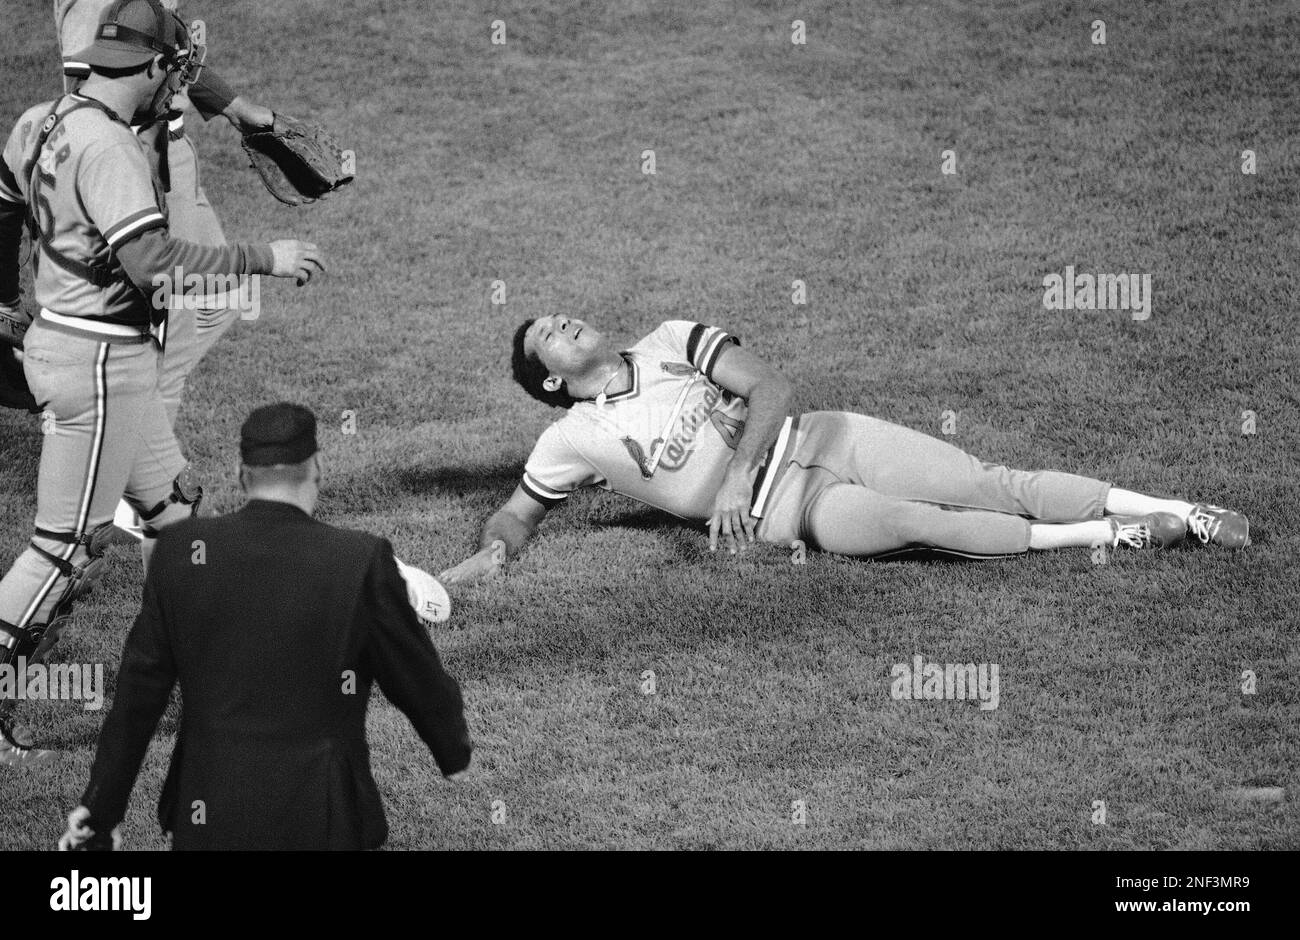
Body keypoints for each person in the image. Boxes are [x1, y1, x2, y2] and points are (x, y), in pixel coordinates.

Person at [0, 0, 323, 765]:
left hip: (91, 354)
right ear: (146, 68)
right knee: (64, 548)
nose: (173, 94)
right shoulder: (111, 150)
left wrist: (5, 297)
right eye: (169, 78)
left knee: (174, 510)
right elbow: (150, 263)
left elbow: (4, 200)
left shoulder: (41, 118)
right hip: (100, 366)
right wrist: (262, 259)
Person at [440, 316, 1250, 583]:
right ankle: (1111, 537)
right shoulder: (568, 437)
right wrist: (492, 554)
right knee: (912, 520)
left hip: (829, 436)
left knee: (990, 481)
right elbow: (517, 514)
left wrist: (739, 474)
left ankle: (1179, 511)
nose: (564, 322)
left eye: (559, 313)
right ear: (548, 380)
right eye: (547, 333)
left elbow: (775, 389)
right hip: (797, 512)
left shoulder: (670, 338)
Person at [59, 403, 472, 851]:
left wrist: (101, 810)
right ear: (317, 467)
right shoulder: (359, 559)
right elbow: (415, 677)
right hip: (325, 814)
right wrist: (452, 750)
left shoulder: (180, 552)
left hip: (208, 810)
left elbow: (137, 698)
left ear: (241, 474)